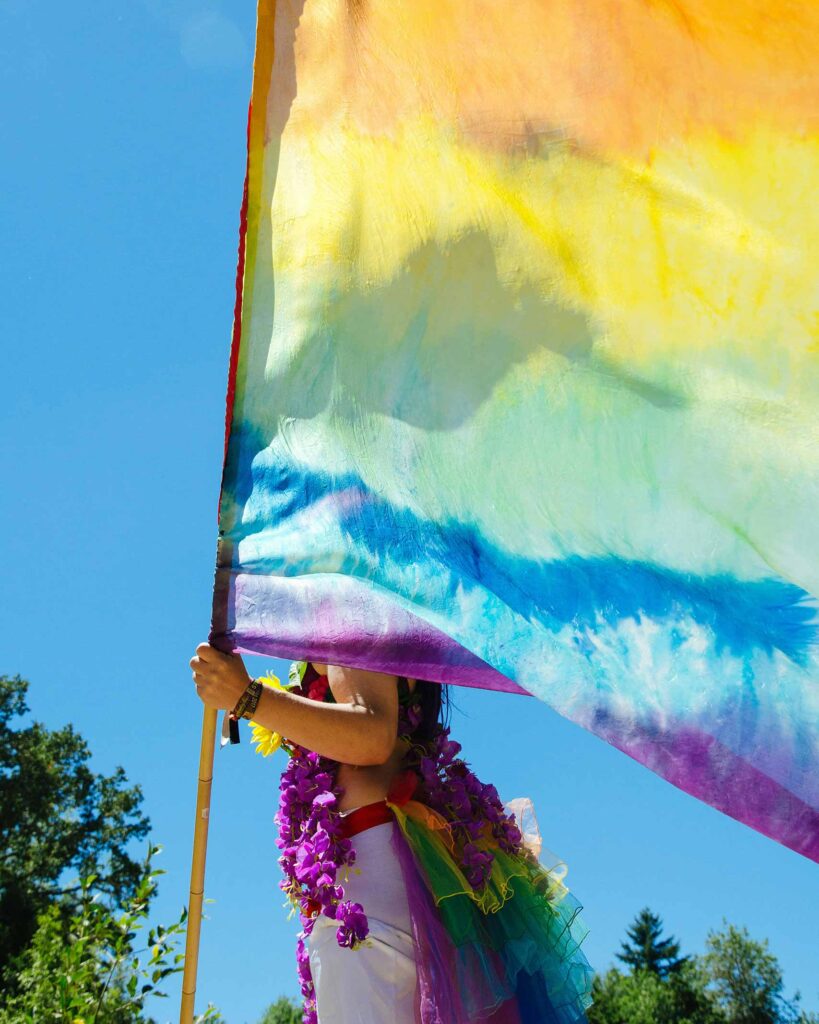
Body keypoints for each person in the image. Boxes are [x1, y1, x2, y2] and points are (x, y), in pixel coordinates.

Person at [190, 643, 594, 1024]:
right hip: (398, 860)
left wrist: (246, 696)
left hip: (371, 865)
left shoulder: (349, 601)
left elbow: (373, 732)